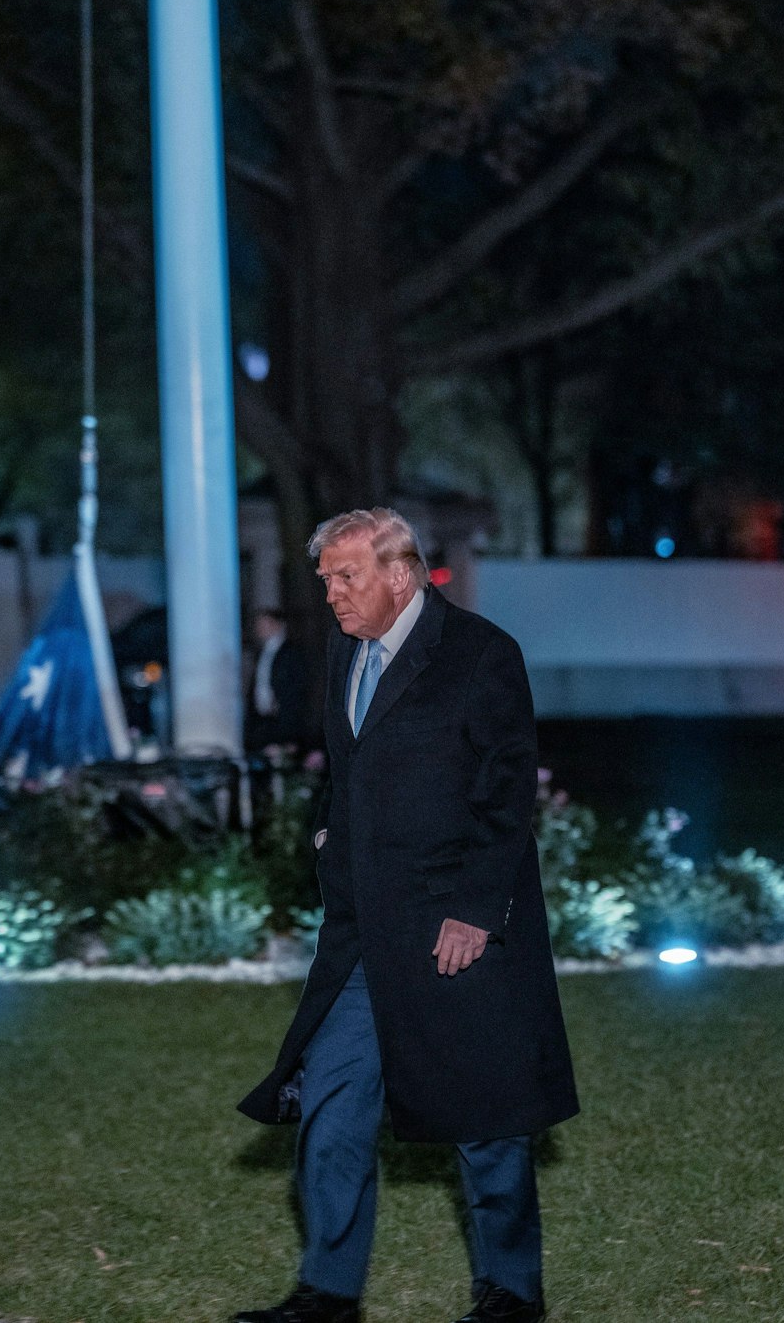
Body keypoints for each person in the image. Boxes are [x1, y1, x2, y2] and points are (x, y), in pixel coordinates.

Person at [236, 509, 577, 1323]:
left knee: (485, 1115)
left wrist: (471, 910)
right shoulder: (344, 654)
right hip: (364, 931)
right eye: (323, 579)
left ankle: (510, 1295)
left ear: (399, 574)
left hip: (450, 929)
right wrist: (328, 831)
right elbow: (347, 768)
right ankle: (326, 1293)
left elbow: (505, 792)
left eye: (343, 576)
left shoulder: (481, 655)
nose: (330, 595)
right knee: (332, 1102)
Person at [246, 607, 313, 753]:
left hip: (283, 721)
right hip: (263, 720)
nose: (260, 629)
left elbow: (295, 688)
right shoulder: (261, 653)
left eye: (265, 624)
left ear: (277, 625)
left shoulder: (290, 652)